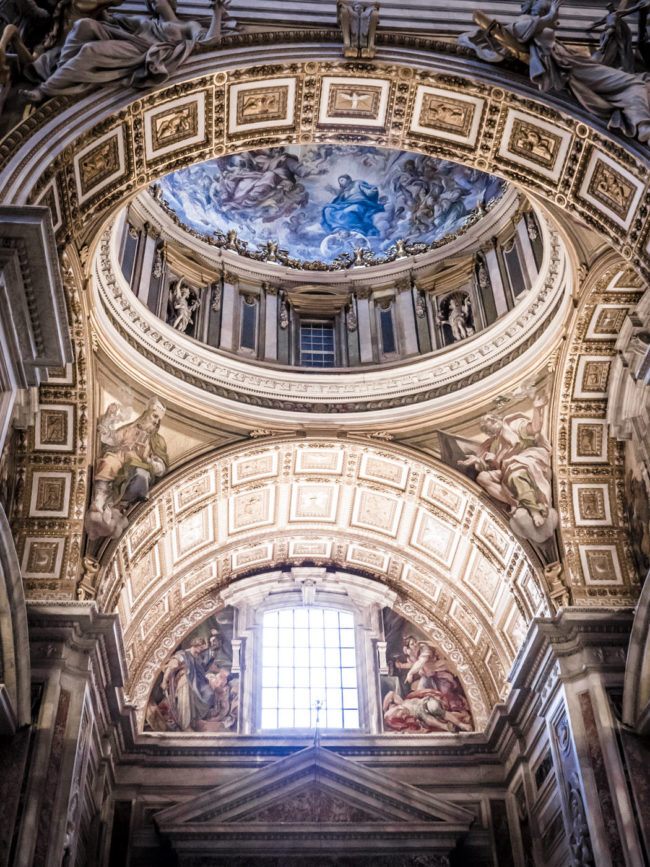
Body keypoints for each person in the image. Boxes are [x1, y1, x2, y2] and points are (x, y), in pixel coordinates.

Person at [460, 0, 650, 142]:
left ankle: (641, 123)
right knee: (636, 84)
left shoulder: (546, 34)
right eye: (543, 3)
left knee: (637, 82)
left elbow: (586, 62)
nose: (550, 3)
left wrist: (609, 36)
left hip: (583, 70)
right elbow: (512, 34)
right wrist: (548, 18)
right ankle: (642, 124)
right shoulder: (531, 23)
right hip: (577, 74)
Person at [17, 0, 231, 102]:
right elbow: (115, 24)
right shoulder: (145, 23)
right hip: (127, 41)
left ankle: (45, 89)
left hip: (143, 52)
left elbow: (211, 41)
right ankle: (61, 70)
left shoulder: (186, 26)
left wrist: (217, 14)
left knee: (90, 51)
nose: (155, 2)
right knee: (84, 25)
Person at [457, 393, 552, 529]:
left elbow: (534, 428)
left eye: (492, 421)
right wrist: (477, 461)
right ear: (487, 431)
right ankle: (516, 502)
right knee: (483, 478)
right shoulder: (493, 445)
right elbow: (495, 466)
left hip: (527, 458)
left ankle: (534, 510)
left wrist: (538, 408)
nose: (492, 425)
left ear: (498, 420)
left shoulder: (512, 425)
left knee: (515, 472)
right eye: (487, 426)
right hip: (506, 469)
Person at [85, 397, 168, 538]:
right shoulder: (130, 428)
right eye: (155, 416)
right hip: (119, 459)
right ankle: (100, 501)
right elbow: (108, 438)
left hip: (138, 465)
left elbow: (161, 467)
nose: (155, 421)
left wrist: (146, 458)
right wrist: (109, 416)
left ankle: (114, 506)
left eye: (158, 420)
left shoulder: (157, 440)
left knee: (140, 475)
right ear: (146, 412)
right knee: (109, 462)